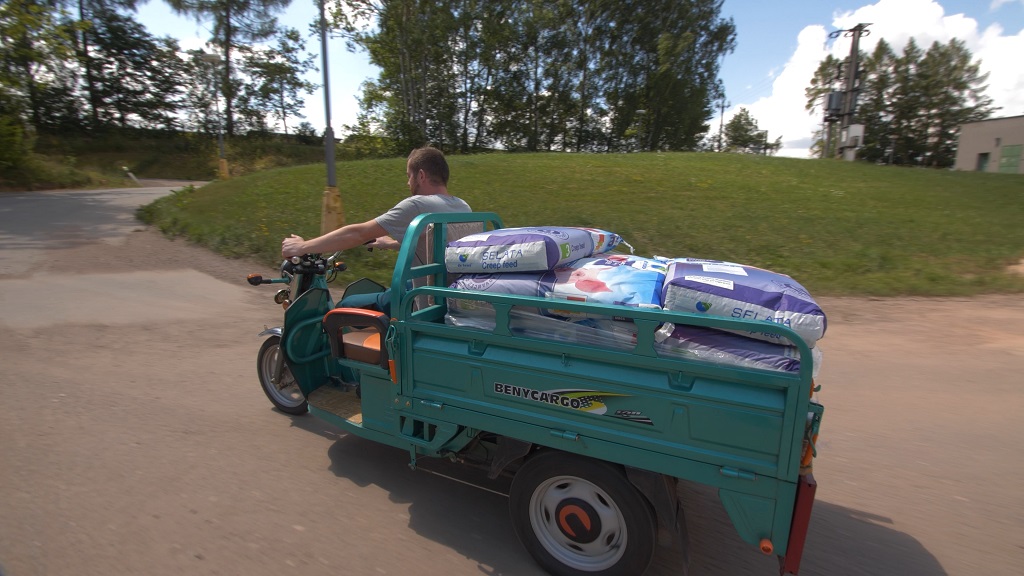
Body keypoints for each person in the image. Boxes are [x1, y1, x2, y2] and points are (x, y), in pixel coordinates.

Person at [282, 146, 471, 314]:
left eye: (409, 176)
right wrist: (389, 243)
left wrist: (303, 246)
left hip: (421, 304)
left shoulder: (417, 206)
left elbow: (358, 233)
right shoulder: (463, 207)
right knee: (391, 291)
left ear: (421, 175)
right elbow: (436, 245)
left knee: (344, 308)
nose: (408, 183)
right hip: (447, 296)